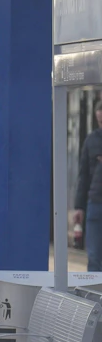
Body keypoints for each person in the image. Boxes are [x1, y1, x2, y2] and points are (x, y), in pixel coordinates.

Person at [71, 99, 102, 270]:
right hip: (95, 203)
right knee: (94, 257)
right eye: (100, 121)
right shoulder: (91, 141)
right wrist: (79, 207)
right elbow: (83, 176)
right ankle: (97, 294)